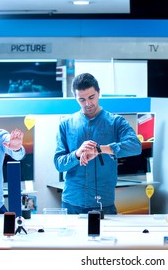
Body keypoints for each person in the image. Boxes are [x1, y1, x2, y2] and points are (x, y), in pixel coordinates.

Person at [54, 73, 142, 215]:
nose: (88, 103)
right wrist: (77, 154)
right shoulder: (65, 124)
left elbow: (135, 146)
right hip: (72, 203)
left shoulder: (116, 122)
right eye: (81, 99)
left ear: (99, 92)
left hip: (103, 203)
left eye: (91, 97)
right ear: (75, 98)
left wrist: (100, 149)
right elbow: (59, 164)